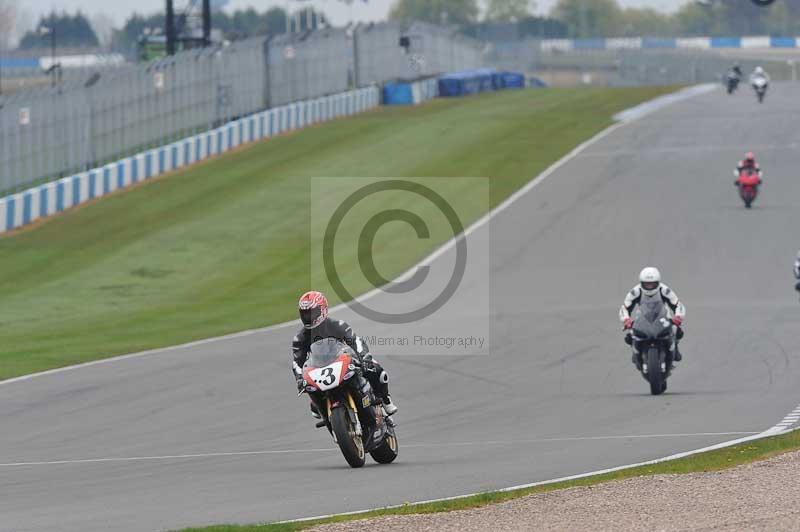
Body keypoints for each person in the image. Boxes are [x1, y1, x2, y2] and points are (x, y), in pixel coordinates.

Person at [291, 290, 397, 418]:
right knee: (313, 404)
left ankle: (385, 399)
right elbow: (297, 363)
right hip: (320, 369)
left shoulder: (337, 325)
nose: (308, 317)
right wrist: (299, 379)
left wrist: (364, 357)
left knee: (377, 370)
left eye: (312, 313)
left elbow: (356, 341)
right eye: (305, 314)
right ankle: (328, 417)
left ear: (323, 310)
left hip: (342, 361)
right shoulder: (300, 338)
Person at [620, 267, 686, 363]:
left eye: (652, 284)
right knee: (630, 334)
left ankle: (675, 347)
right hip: (643, 315)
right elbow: (625, 308)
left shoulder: (665, 290)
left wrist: (678, 316)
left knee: (676, 329)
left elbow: (677, 304)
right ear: (641, 283)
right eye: (647, 284)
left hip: (662, 315)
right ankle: (635, 351)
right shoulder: (635, 292)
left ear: (658, 282)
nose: (650, 286)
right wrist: (626, 320)